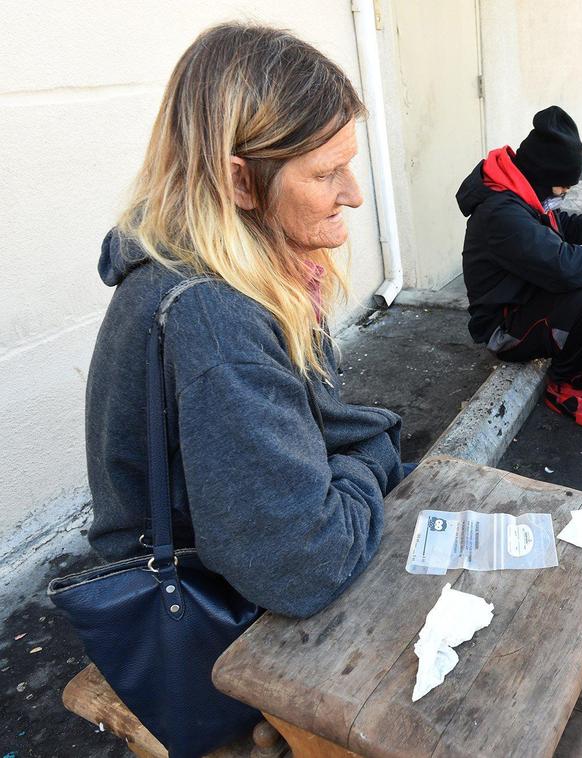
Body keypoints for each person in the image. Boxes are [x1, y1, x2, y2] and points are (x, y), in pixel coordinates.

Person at [86, 23, 405, 619]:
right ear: (239, 180)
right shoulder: (216, 322)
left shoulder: (235, 271)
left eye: (350, 166)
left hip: (235, 565)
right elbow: (308, 566)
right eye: (325, 173)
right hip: (214, 621)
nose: (355, 194)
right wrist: (369, 456)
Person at [457, 106, 582, 430]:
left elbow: (558, 224)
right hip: (504, 326)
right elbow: (561, 266)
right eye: (562, 188)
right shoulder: (502, 212)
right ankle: (565, 385)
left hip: (530, 296)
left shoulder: (522, 190)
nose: (564, 195)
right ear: (542, 177)